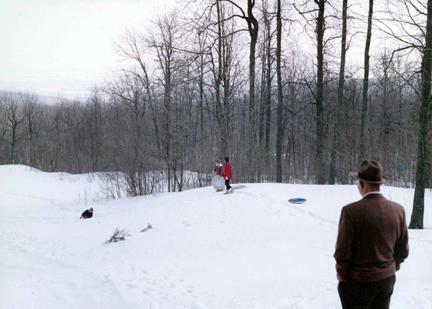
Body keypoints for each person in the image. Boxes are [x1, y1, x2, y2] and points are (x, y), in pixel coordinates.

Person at [334, 160, 409, 309]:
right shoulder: (398, 210)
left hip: (358, 283)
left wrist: (342, 277)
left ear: (362, 184)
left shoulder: (351, 212)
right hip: (386, 280)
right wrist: (391, 267)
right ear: (379, 183)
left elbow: (342, 252)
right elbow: (403, 250)